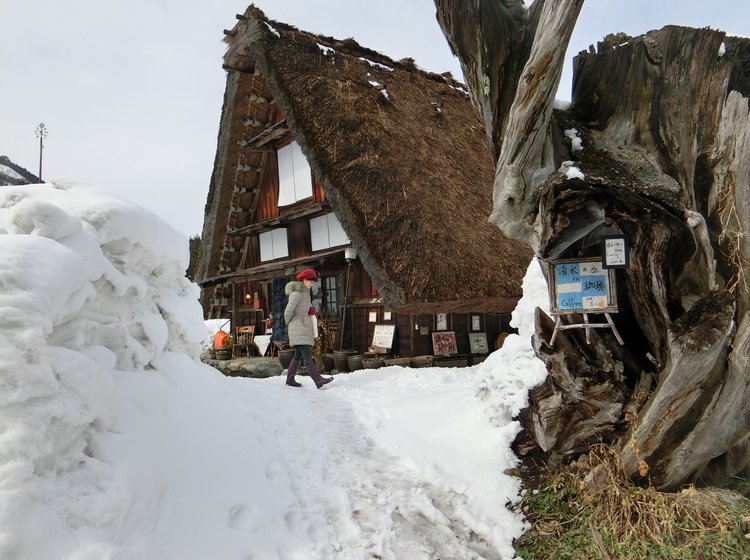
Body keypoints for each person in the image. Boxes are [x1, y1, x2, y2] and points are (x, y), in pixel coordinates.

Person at [283, 268, 333, 388]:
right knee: (307, 356)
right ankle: (318, 380)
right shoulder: (296, 293)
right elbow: (287, 312)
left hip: (303, 326)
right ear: (304, 280)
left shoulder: (305, 293)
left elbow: (301, 308)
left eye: (313, 282)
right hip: (299, 327)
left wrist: (309, 311)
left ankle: (290, 379)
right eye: (311, 281)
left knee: (298, 356)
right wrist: (292, 323)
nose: (312, 284)